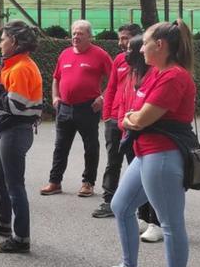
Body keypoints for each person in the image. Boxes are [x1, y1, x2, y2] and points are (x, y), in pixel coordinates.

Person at [108, 19, 197, 267]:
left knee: (170, 224)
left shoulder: (174, 77)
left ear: (160, 45)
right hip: (146, 152)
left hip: (163, 156)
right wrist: (131, 118)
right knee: (120, 207)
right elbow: (136, 112)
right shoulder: (156, 73)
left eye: (144, 42)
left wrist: (129, 119)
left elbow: (141, 117)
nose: (140, 47)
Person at [0, 21, 43, 254]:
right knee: (0, 178)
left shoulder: (20, 68)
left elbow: (15, 106)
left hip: (16, 131)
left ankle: (21, 238)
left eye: (3, 38)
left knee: (14, 184)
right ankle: (5, 223)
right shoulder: (17, 65)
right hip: (14, 131)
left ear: (14, 42)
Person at [40, 20, 112, 197]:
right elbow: (56, 78)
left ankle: (88, 183)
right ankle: (55, 182)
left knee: (90, 147)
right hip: (64, 108)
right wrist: (55, 97)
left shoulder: (100, 55)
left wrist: (102, 97)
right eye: (73, 33)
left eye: (80, 33)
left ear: (89, 36)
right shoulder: (64, 54)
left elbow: (114, 80)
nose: (75, 36)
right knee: (60, 147)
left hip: (87, 108)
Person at [112, 35, 163, 242]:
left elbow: (145, 111)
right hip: (130, 133)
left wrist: (129, 121)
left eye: (133, 49)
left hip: (145, 136)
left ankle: (156, 222)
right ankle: (142, 216)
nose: (129, 53)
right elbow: (124, 100)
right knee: (140, 182)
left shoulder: (155, 75)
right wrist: (119, 120)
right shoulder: (133, 74)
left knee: (152, 183)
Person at [93, 24, 142, 218]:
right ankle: (109, 201)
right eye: (120, 38)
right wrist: (107, 116)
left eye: (126, 38)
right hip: (114, 119)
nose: (121, 42)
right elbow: (111, 87)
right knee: (113, 161)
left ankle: (139, 204)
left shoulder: (146, 62)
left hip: (132, 121)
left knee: (135, 162)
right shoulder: (119, 60)